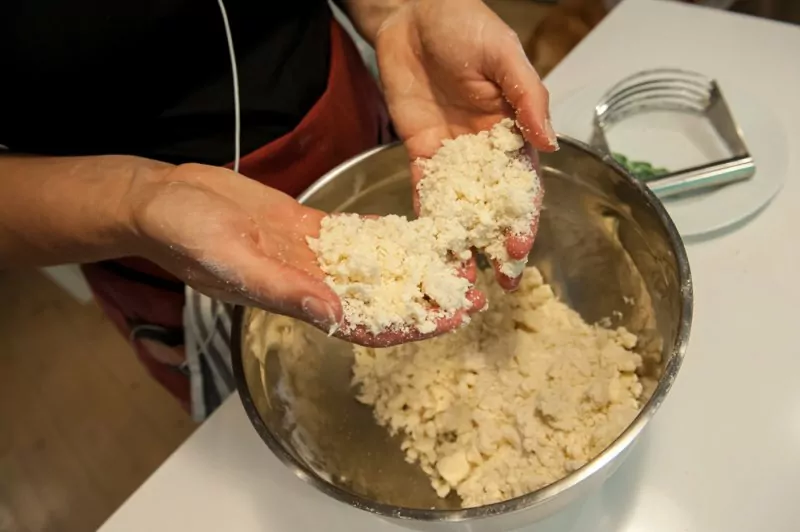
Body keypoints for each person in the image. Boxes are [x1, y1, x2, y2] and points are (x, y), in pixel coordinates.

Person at [0, 0, 557, 417]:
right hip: (126, 220)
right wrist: (134, 201)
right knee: (263, 408)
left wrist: (402, 8)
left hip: (348, 116)